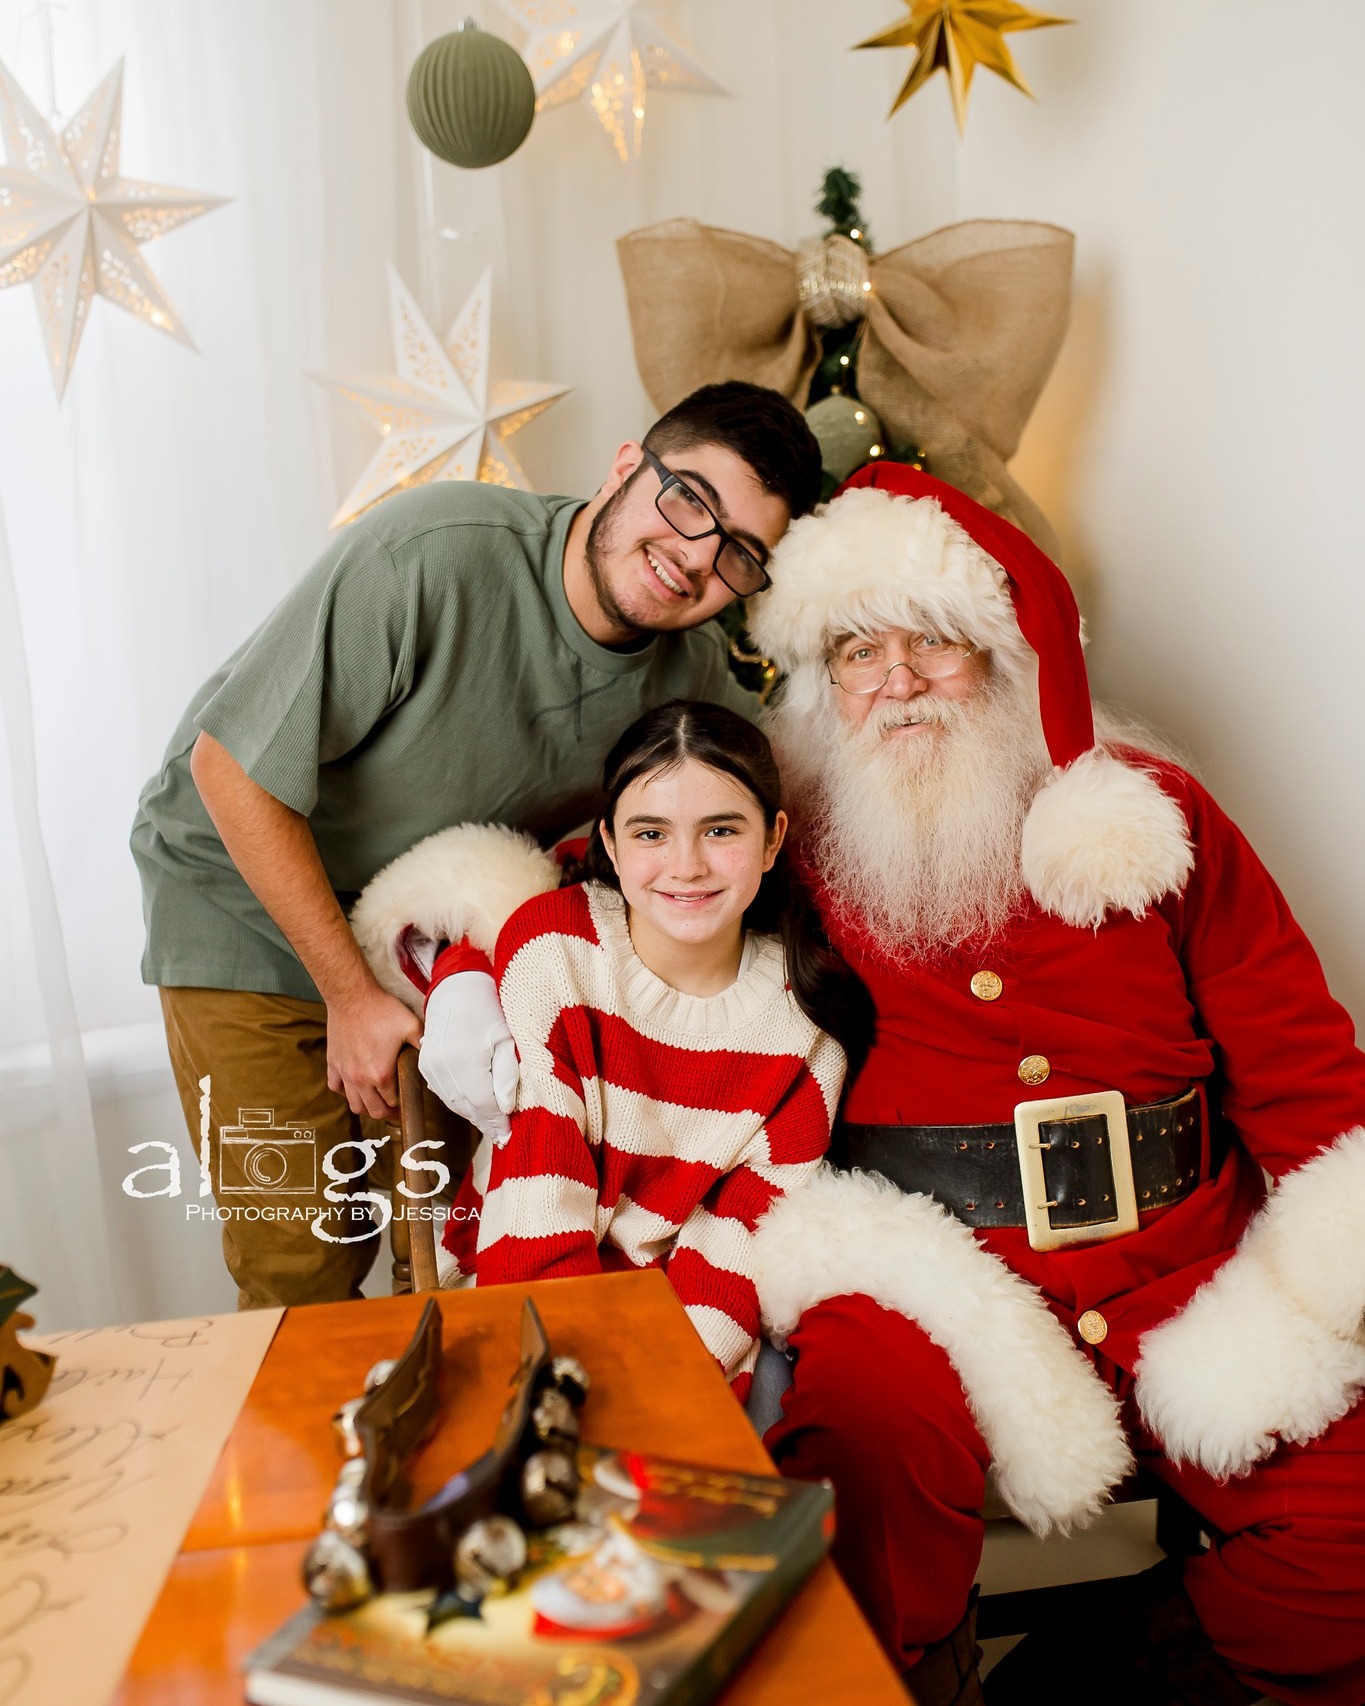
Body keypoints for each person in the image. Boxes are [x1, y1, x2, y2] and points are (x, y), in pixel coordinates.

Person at [732, 464, 1365, 1706]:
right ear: (824, 677)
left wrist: (1330, 1268)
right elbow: (638, 881)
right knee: (857, 1447)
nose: (898, 677)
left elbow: (1300, 1062)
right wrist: (465, 929)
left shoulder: (1152, 813)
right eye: (860, 648)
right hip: (938, 1277)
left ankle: (1100, 1674)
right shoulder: (779, 837)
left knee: (1352, 1508)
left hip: (1190, 1261)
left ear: (1008, 653)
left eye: (937, 641)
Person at [131, 382, 822, 1309]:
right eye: (687, 500)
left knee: (456, 1249)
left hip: (426, 942)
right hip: (241, 900)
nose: (695, 558)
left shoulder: (686, 675)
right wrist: (347, 992)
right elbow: (230, 773)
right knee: (305, 1264)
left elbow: (793, 795)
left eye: (738, 552)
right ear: (626, 467)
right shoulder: (431, 554)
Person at [356, 701, 869, 1398]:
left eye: (721, 830)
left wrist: (663, 1388)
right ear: (611, 842)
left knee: (777, 1442)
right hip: (518, 1297)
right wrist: (580, 1392)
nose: (685, 867)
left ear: (773, 840)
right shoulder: (556, 955)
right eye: (650, 833)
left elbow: (734, 1254)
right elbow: (533, 1216)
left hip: (686, 1343)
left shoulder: (804, 1032)